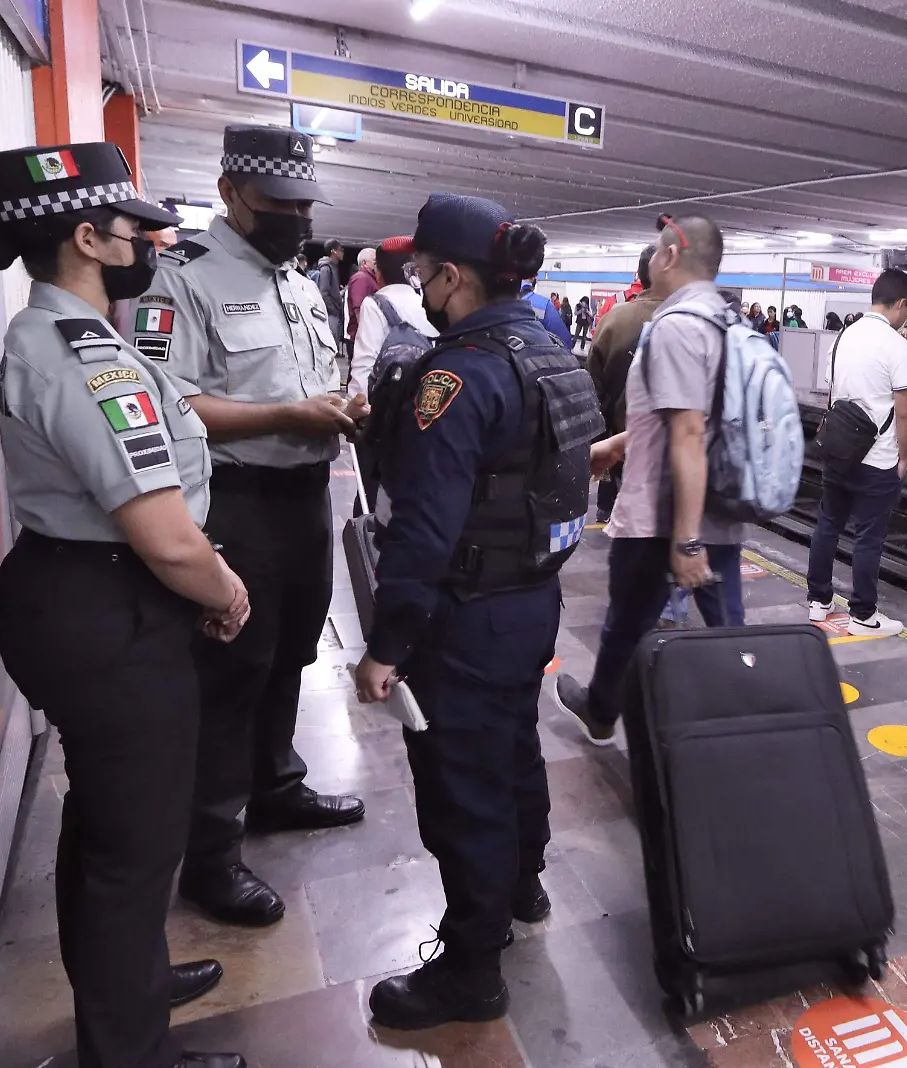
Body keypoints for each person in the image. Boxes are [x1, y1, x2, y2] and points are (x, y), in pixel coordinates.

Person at [0, 141, 249, 1068]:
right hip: (109, 606)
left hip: (80, 591)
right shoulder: (85, 355)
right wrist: (225, 587)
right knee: (138, 850)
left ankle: (129, 979)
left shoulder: (69, 337)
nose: (152, 242)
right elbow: (162, 537)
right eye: (138, 230)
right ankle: (131, 1053)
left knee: (109, 818)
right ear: (89, 237)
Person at [353, 193, 593, 1029]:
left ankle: (471, 969)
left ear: (453, 276)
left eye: (422, 271)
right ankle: (523, 885)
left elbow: (422, 530)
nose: (417, 284)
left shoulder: (456, 375)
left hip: (466, 615)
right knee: (514, 751)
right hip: (534, 599)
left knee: (465, 785)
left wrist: (384, 646)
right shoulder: (550, 350)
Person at [134, 125, 368, 930]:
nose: (297, 217)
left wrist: (341, 408)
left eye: (306, 205)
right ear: (232, 192)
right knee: (230, 674)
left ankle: (275, 787)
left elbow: (310, 379)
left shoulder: (299, 283)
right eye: (281, 203)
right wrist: (284, 413)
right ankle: (211, 856)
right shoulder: (182, 281)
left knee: (294, 652)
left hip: (305, 496)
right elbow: (168, 406)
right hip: (234, 502)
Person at [554, 214, 746, 745]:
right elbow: (685, 420)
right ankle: (751, 724)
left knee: (627, 621)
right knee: (726, 629)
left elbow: (687, 430)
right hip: (717, 507)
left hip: (666, 515)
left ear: (667, 258)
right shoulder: (729, 321)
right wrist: (619, 445)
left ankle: (605, 709)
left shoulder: (679, 325)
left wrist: (686, 540)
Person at [803, 268, 907, 637]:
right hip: (877, 458)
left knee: (828, 524)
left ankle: (818, 602)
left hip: (839, 452)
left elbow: (833, 391)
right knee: (868, 537)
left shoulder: (843, 337)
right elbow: (905, 411)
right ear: (900, 304)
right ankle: (863, 614)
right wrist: (904, 458)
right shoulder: (897, 345)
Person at [584, 245, 661, 525]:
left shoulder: (614, 317)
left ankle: (608, 510)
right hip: (672, 456)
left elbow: (593, 385)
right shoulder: (698, 321)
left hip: (619, 438)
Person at [349, 236, 437, 397]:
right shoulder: (426, 303)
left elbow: (364, 363)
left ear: (379, 273)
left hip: (389, 402)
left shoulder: (375, 304)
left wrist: (356, 405)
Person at [345, 245, 382, 369]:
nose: (379, 265)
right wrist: (366, 336)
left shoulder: (369, 278)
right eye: (375, 262)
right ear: (364, 263)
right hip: (361, 337)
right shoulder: (361, 279)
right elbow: (358, 308)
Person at [313, 238, 346, 347]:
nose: (342, 252)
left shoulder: (332, 266)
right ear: (333, 251)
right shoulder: (326, 268)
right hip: (331, 313)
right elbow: (324, 292)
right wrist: (333, 310)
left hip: (334, 312)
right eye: (340, 249)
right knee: (330, 345)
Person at [524, 284, 574, 349]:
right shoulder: (545, 305)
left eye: (553, 296)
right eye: (552, 296)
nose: (552, 297)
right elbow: (565, 341)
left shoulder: (550, 304)